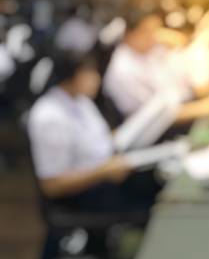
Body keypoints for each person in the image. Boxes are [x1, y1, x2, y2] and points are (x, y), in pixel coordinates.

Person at [27, 50, 156, 211]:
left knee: (155, 174)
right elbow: (51, 186)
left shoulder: (81, 100)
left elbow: (98, 141)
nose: (97, 78)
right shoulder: (49, 117)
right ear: (72, 76)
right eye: (90, 73)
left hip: (107, 169)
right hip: (85, 192)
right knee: (151, 196)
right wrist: (103, 171)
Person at [103, 9, 209, 122]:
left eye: (155, 31)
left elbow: (180, 42)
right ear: (128, 34)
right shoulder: (123, 70)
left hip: (180, 103)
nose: (153, 38)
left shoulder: (145, 50)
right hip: (159, 128)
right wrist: (204, 107)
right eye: (147, 32)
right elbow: (157, 117)